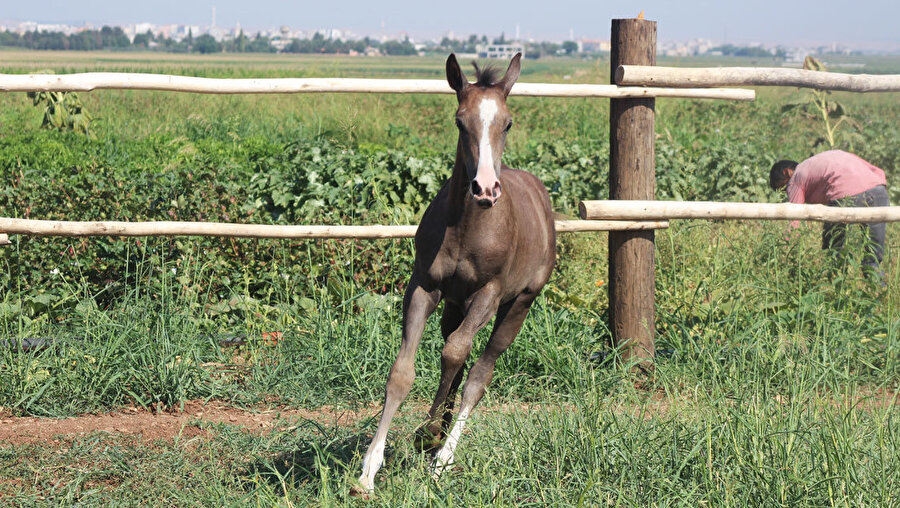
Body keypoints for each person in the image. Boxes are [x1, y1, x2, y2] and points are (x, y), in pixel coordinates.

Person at [769, 150, 890, 282]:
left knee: (833, 250)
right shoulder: (813, 164)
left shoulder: (795, 177)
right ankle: (877, 291)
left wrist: (784, 257)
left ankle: (835, 285)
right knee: (873, 257)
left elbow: (795, 218)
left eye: (783, 187)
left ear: (787, 172)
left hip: (847, 194)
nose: (787, 192)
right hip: (879, 190)